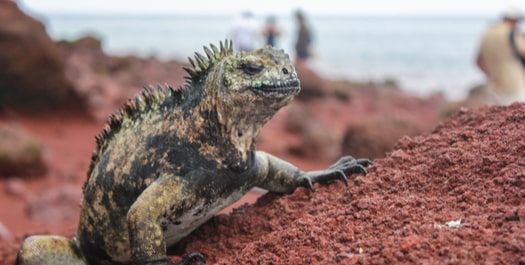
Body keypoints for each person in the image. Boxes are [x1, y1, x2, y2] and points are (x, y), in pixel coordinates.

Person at [476, 7, 525, 105]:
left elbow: (478, 62)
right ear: (514, 20)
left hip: (492, 88)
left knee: (495, 118)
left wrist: (494, 74)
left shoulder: (488, 33)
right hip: (514, 86)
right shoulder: (513, 33)